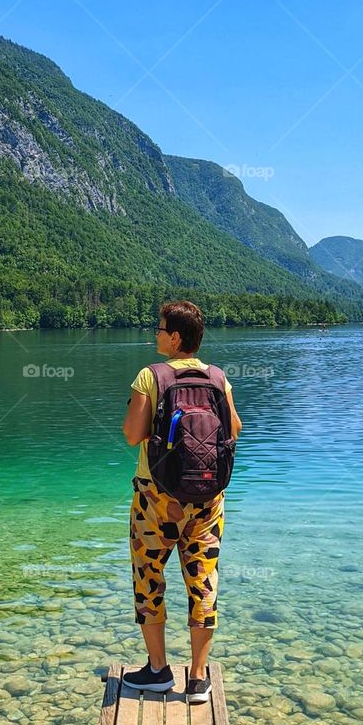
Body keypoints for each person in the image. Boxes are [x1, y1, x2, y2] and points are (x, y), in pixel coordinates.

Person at [120, 301, 243, 704]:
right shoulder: (217, 377)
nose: (154, 334)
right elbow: (235, 430)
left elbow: (132, 435)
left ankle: (157, 670)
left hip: (157, 497)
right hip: (208, 499)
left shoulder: (150, 376)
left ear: (175, 337)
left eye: (158, 329)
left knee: (149, 578)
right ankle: (198, 678)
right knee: (203, 580)